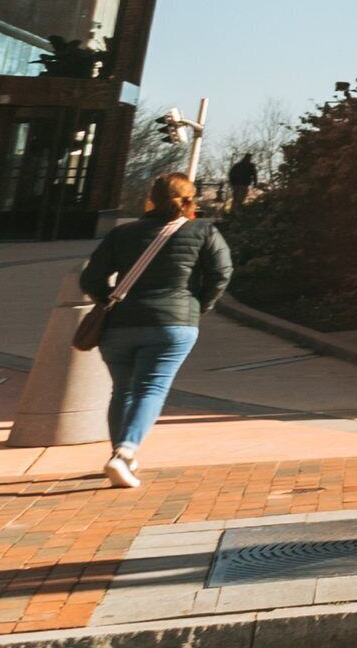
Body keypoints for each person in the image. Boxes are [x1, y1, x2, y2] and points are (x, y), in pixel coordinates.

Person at [76, 172, 230, 488]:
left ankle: (121, 456)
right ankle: (123, 454)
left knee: (123, 390)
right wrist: (199, 305)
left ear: (151, 199)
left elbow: (90, 279)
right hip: (172, 325)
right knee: (151, 388)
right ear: (191, 200)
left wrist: (109, 300)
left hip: (119, 325)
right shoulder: (203, 231)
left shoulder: (123, 234)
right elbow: (221, 273)